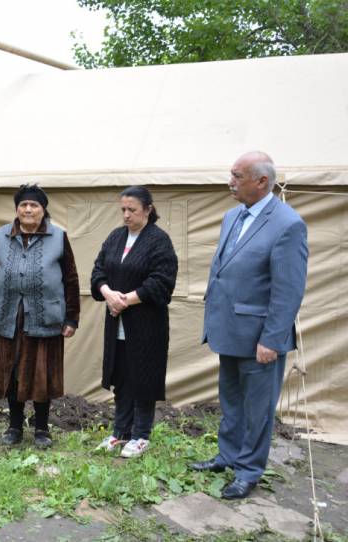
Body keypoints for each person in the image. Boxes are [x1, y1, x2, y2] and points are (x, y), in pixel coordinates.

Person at [192, 151, 307, 499]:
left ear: (261, 181)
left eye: (237, 176)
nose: (230, 182)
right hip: (228, 330)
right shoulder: (233, 216)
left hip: (260, 338)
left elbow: (288, 290)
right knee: (231, 401)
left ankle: (248, 471)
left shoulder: (288, 224)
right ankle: (227, 456)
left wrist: (271, 339)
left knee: (258, 410)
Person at [0, 184, 80, 449]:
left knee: (41, 373)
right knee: (12, 371)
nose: (28, 209)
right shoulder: (2, 236)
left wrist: (72, 318)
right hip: (9, 315)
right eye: (23, 205)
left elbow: (71, 278)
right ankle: (14, 426)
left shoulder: (58, 237)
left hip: (45, 315)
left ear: (43, 209)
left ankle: (42, 428)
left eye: (34, 205)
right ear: (16, 209)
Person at [90, 186, 178, 458]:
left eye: (132, 210)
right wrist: (108, 293)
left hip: (146, 325)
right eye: (123, 210)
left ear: (148, 210)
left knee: (143, 379)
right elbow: (98, 271)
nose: (126, 215)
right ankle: (120, 432)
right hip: (116, 322)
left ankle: (141, 435)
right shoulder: (116, 237)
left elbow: (161, 282)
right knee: (122, 377)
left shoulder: (159, 240)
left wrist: (125, 300)